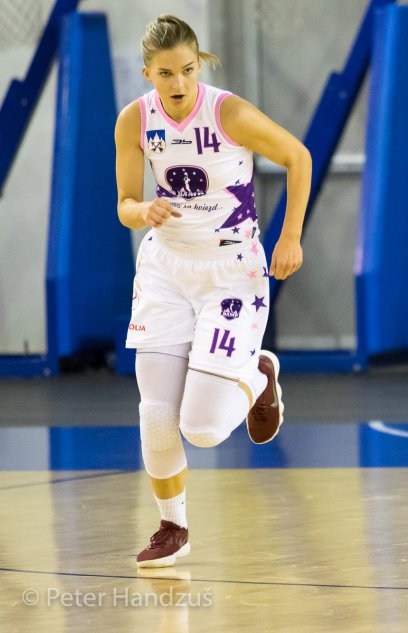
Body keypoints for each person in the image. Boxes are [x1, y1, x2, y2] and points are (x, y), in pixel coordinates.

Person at [114, 14, 312, 568]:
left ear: (199, 65)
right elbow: (125, 203)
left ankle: (259, 375)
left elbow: (297, 157)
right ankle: (172, 526)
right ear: (148, 73)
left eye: (187, 69)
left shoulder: (228, 113)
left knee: (200, 429)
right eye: (166, 73)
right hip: (165, 271)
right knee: (156, 414)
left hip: (231, 272)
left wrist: (290, 235)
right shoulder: (134, 120)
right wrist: (142, 211)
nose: (178, 83)